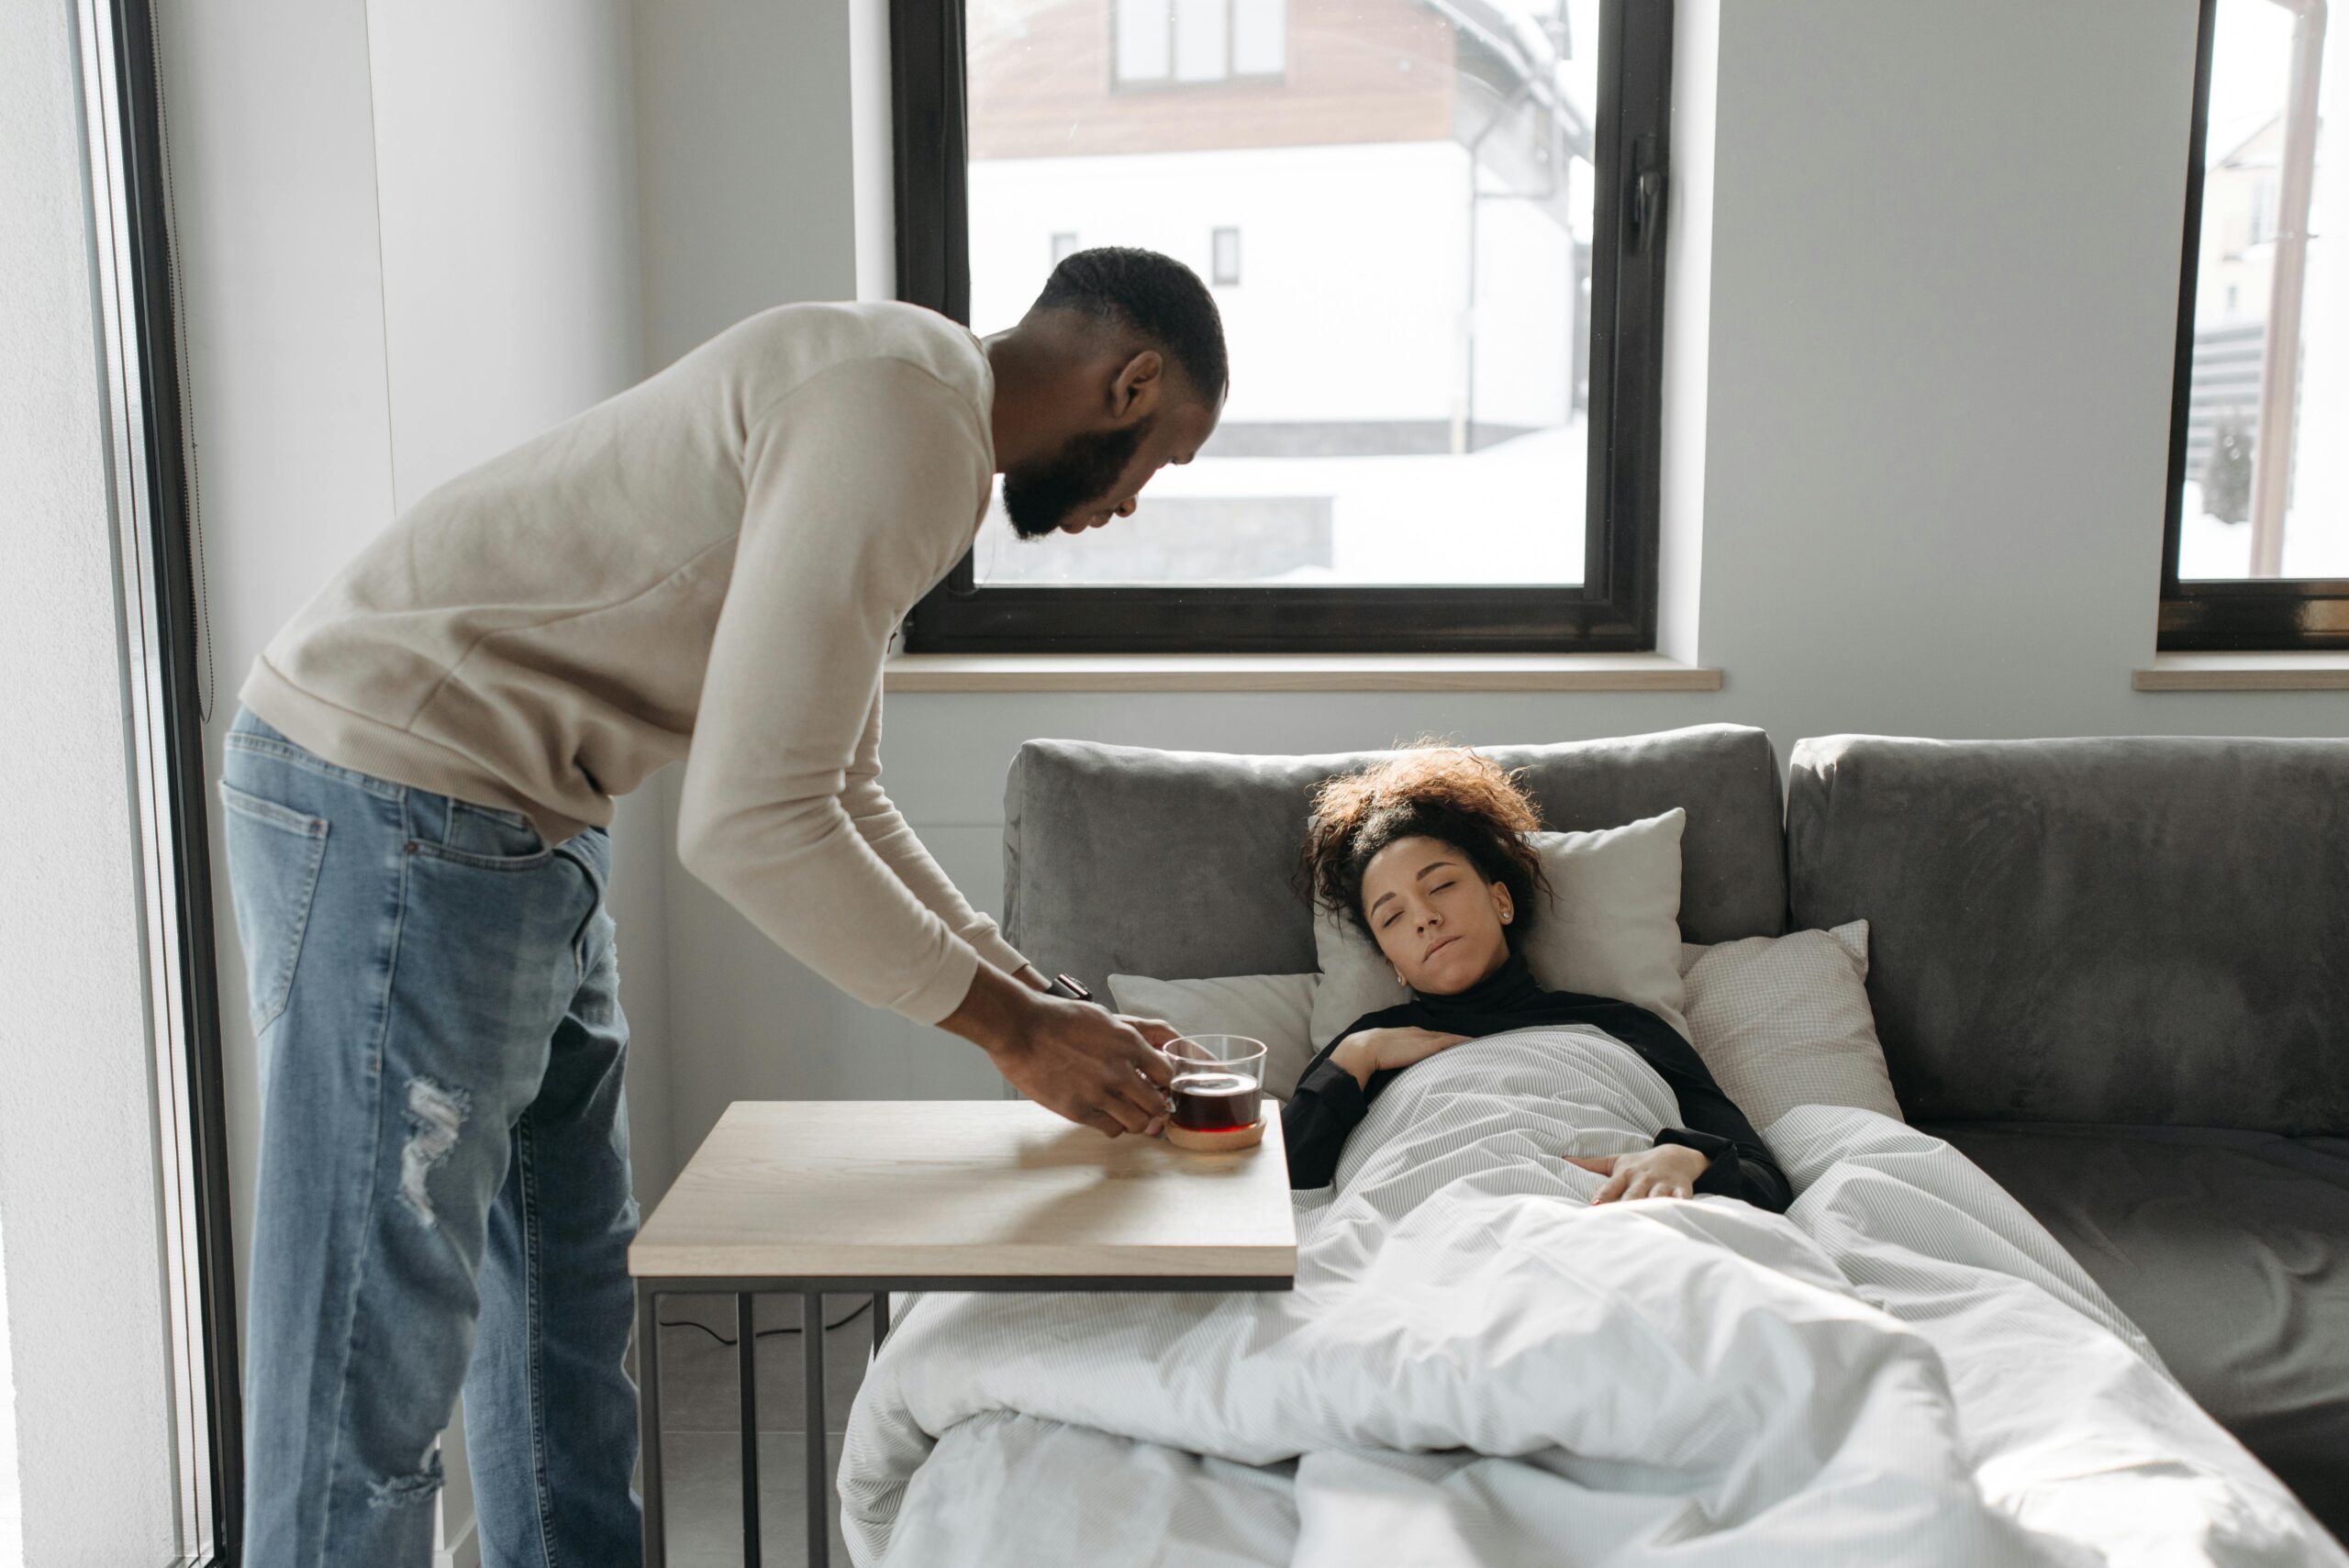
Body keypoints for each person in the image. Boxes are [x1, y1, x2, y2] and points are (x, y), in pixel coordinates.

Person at [218, 247, 1225, 1567]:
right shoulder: (904, 419)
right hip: (401, 799)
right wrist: (1011, 1032)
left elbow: (841, 787)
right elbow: (753, 822)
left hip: (518, 823)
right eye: (1162, 460)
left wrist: (1038, 1002)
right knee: (365, 1361)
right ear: (1130, 382)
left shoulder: (914, 403)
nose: (1134, 503)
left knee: (564, 1317)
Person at [1283, 745, 1792, 1208]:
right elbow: (1281, 1190)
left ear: (1501, 900)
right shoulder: (1363, 1053)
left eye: (1440, 885)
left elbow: (1764, 1179)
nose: (1423, 918)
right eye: (1392, 917)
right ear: (1391, 961)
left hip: (1610, 1217)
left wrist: (1687, 1159)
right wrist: (1357, 1057)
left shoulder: (1624, 1026)